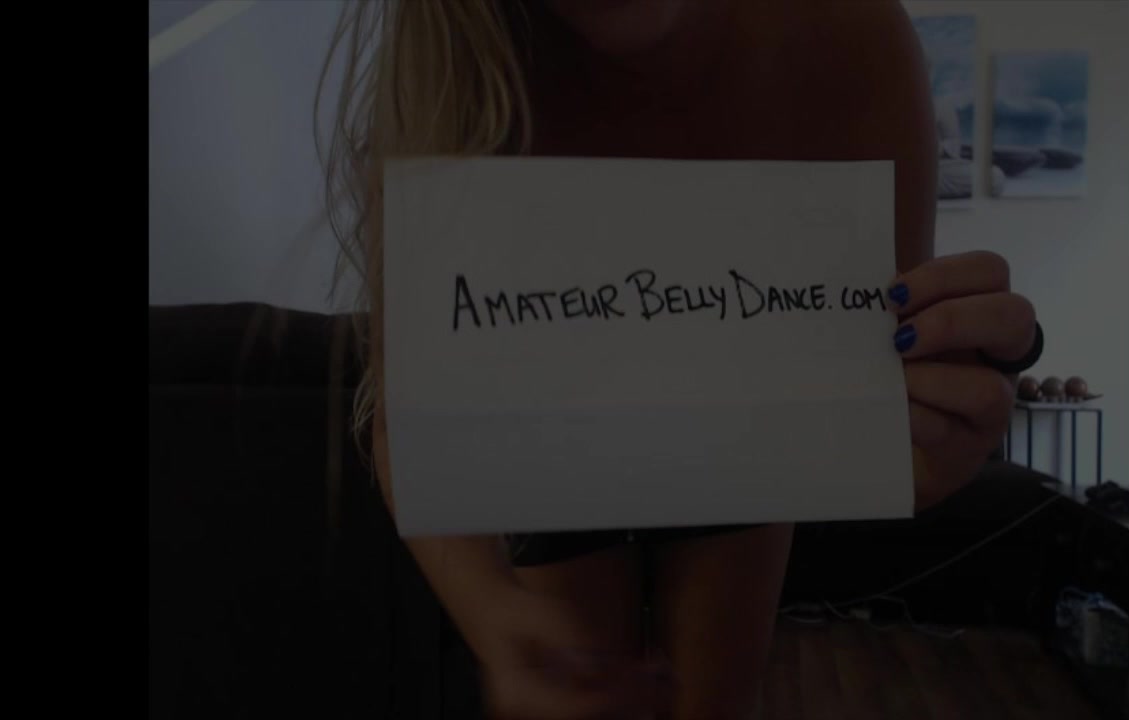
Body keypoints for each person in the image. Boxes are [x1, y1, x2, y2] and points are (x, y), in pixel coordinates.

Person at [317, 1, 1040, 718]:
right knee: (586, 690)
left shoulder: (852, 39)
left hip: (733, 433)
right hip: (565, 442)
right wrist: (494, 615)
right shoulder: (452, 70)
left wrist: (929, 414)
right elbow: (407, 411)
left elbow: (890, 394)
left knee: (705, 699)